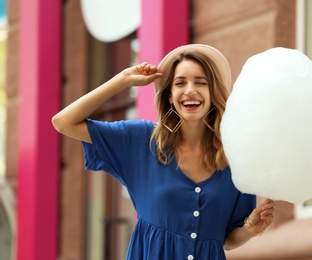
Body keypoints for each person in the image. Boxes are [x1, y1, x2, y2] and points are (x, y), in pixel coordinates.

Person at [52, 44, 275, 260]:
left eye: (201, 82)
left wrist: (251, 228)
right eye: (180, 83)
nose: (190, 90)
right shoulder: (141, 141)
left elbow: (226, 239)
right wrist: (123, 80)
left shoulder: (235, 159)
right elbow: (63, 122)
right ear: (169, 95)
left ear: (213, 93)